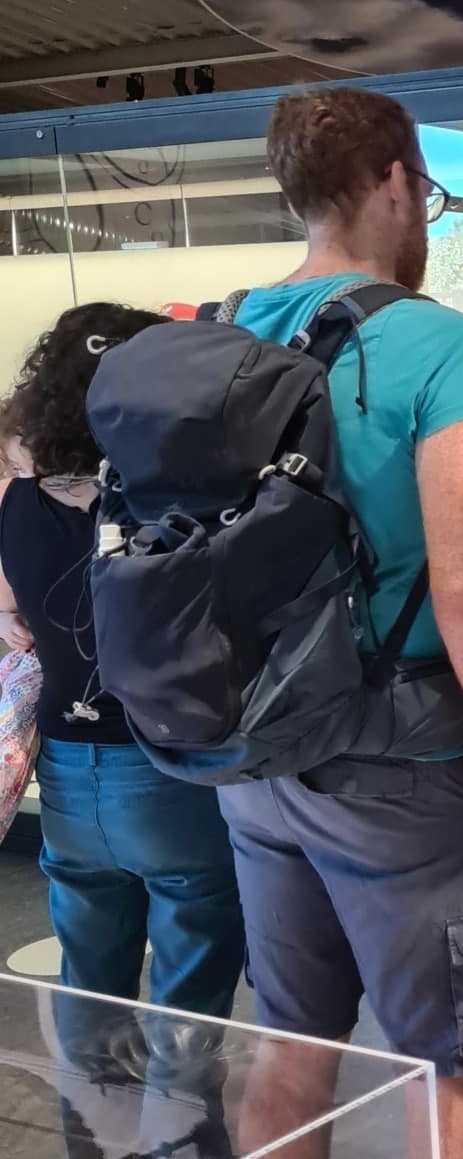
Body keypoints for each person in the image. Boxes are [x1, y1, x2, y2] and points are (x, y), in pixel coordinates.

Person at [221, 87, 463, 1159]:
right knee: (450, 1068)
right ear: (396, 182)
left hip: (260, 757)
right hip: (405, 761)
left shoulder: (231, 329)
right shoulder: (438, 344)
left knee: (291, 1036)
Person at [0, 305, 245, 1020]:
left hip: (67, 768)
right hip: (169, 766)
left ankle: (90, 1092)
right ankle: (179, 1096)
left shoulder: (18, 497)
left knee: (87, 974)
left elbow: (16, 609)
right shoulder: (171, 504)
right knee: (190, 990)